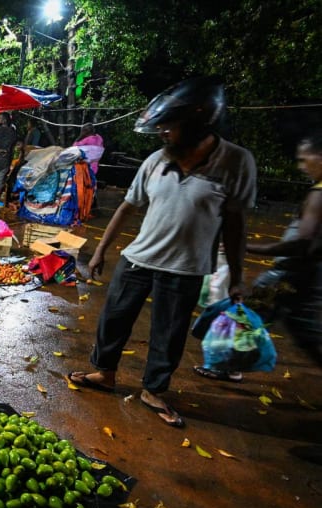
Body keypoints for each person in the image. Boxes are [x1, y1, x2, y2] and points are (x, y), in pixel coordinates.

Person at [68, 76, 256, 428]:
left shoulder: (236, 163)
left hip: (185, 267)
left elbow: (234, 224)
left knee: (168, 334)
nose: (163, 134)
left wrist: (237, 275)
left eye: (170, 128)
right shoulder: (156, 160)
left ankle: (153, 390)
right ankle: (105, 374)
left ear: (199, 124)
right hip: (138, 258)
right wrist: (99, 251)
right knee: (113, 319)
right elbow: (128, 207)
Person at [246, 130, 322, 366]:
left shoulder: (318, 195)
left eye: (303, 159)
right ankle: (232, 364)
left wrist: (248, 247)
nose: (300, 166)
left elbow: (301, 243)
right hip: (310, 273)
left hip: (292, 273)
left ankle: (230, 365)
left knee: (250, 315)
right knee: (305, 330)